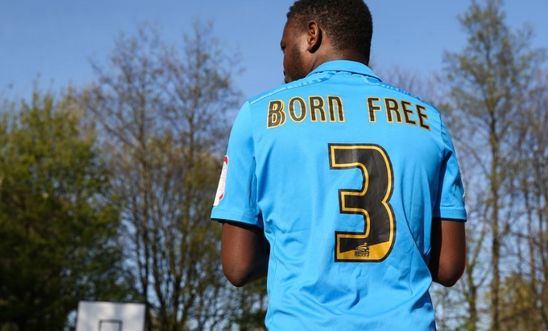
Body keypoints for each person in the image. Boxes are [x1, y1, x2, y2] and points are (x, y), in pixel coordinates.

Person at [211, 0, 467, 329]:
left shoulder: (259, 116)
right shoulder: (429, 123)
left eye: (285, 47)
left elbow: (237, 266)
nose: (283, 62)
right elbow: (448, 266)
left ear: (312, 35)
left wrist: (305, 246)